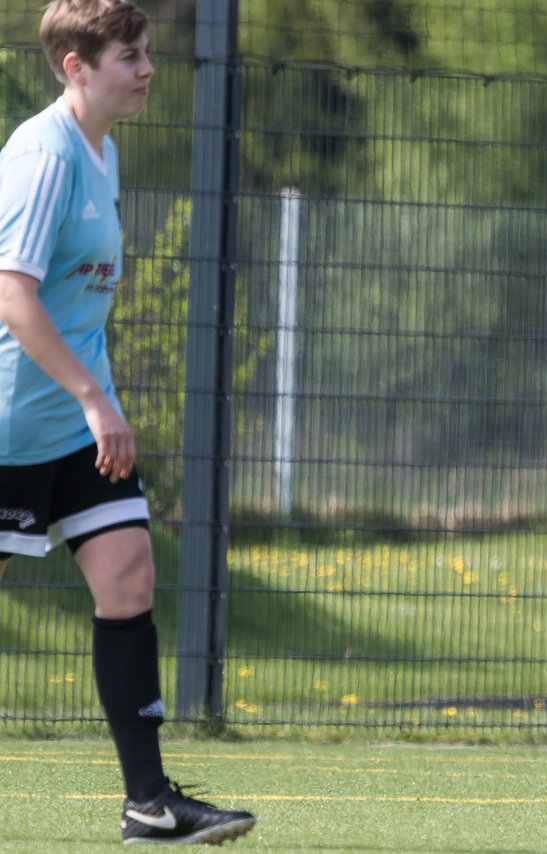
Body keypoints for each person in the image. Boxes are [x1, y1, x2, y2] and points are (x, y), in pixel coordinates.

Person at [0, 0, 255, 844]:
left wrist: (94, 403)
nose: (148, 69)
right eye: (129, 56)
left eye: (148, 53)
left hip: (74, 426)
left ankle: (150, 803)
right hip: (10, 427)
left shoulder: (102, 152)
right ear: (75, 64)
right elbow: (12, 295)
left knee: (129, 578)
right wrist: (93, 396)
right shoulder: (42, 158)